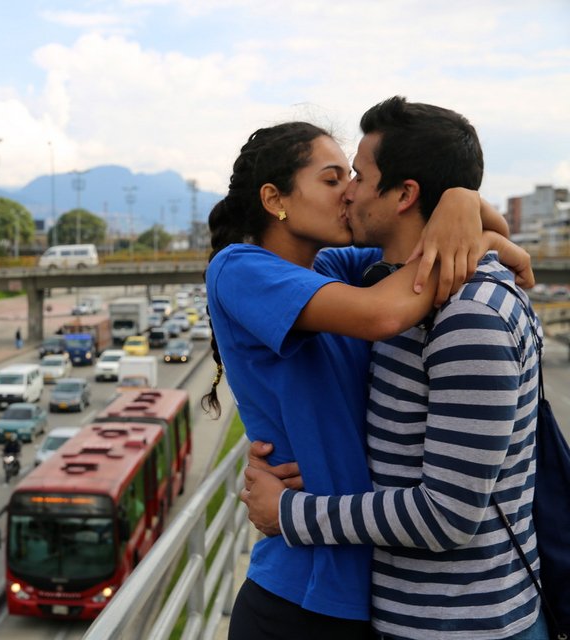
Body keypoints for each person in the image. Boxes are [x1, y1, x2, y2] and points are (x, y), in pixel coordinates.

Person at [202, 115, 531, 638]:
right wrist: (483, 245)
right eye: (333, 180)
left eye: (353, 177)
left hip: (367, 591)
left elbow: (419, 246)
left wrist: (461, 205)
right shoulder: (240, 269)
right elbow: (385, 312)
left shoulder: (332, 266)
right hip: (300, 593)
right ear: (274, 199)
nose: (348, 194)